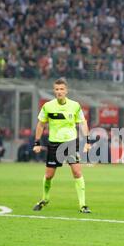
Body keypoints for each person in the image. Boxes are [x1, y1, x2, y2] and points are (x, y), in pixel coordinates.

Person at [32, 77, 92, 213]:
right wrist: (37, 142)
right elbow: (41, 124)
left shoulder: (75, 105)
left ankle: (83, 205)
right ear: (54, 91)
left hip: (70, 143)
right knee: (48, 176)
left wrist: (88, 141)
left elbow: (82, 123)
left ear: (66, 91)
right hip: (54, 144)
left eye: (62, 89)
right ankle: (45, 199)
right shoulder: (47, 106)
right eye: (57, 89)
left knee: (77, 172)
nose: (59, 91)